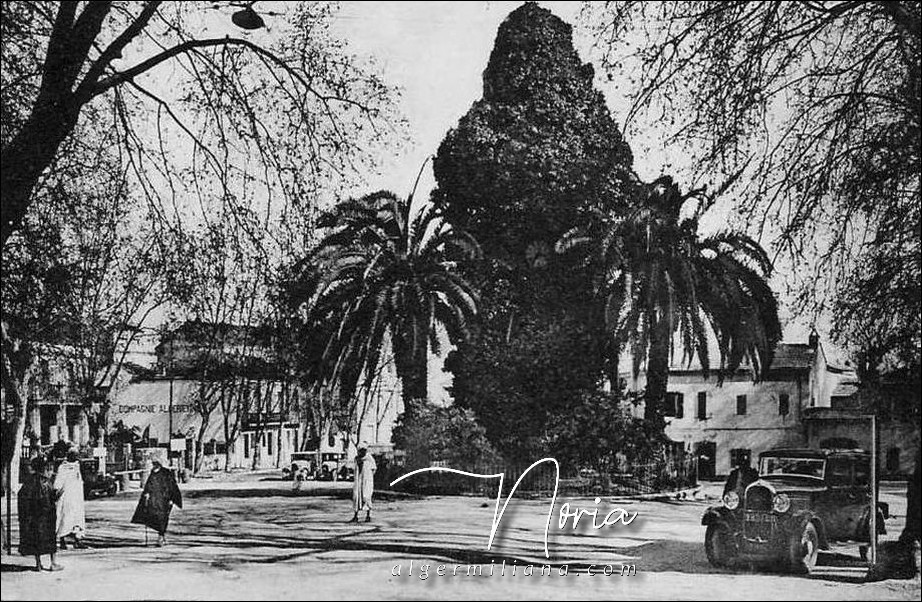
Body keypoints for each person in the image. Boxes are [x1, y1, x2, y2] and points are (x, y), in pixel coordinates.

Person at [18, 456, 62, 571]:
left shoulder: (29, 481)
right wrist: (58, 494)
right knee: (51, 539)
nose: (51, 472)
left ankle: (38, 564)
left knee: (36, 540)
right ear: (44, 469)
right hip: (46, 516)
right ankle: (53, 563)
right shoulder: (46, 482)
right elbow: (49, 498)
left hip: (33, 517)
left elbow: (23, 497)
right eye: (49, 469)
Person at [131, 459, 182, 546]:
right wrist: (146, 493)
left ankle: (161, 536)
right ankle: (161, 536)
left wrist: (172, 499)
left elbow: (172, 486)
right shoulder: (152, 474)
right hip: (154, 500)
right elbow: (148, 485)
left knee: (163, 518)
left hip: (165, 500)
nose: (152, 468)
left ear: (157, 465)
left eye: (153, 465)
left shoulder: (166, 473)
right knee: (153, 517)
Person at [54, 450, 87, 550]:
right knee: (65, 518)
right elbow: (58, 483)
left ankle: (78, 539)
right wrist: (57, 491)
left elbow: (80, 480)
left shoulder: (78, 467)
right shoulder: (63, 467)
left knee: (77, 518)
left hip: (76, 497)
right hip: (66, 497)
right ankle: (62, 539)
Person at [350, 444, 377, 523]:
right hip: (358, 481)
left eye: (363, 450)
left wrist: (369, 477)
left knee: (366, 496)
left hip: (367, 481)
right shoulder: (357, 458)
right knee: (356, 497)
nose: (362, 452)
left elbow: (374, 469)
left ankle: (368, 515)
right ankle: (355, 516)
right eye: (360, 450)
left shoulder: (369, 458)